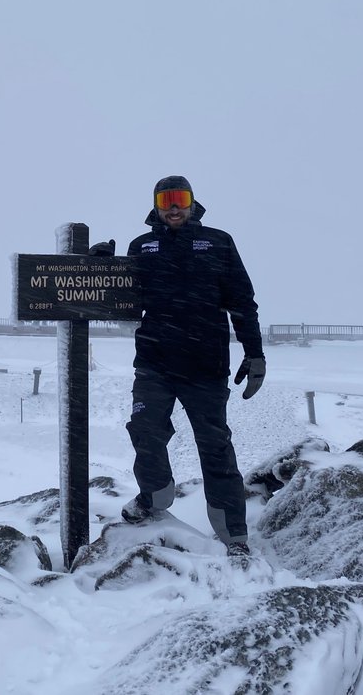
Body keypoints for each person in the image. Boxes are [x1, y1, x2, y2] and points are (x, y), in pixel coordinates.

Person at [93, 175, 265, 559]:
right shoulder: (143, 246)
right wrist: (103, 269)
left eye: (180, 199)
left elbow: (242, 301)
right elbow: (123, 299)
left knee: (215, 447)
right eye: (166, 200)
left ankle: (234, 534)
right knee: (145, 429)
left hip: (206, 365)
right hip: (155, 362)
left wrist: (254, 354)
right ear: (155, 205)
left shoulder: (218, 242)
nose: (174, 207)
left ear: (192, 202)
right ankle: (154, 497)